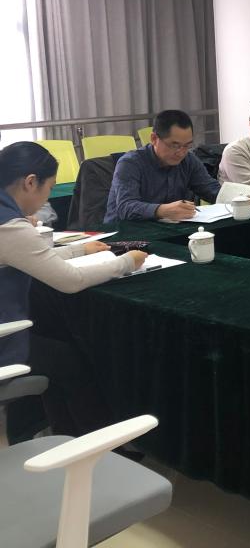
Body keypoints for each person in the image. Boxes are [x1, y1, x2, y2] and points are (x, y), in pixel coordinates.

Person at [1, 142, 146, 435]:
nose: (47, 197)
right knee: (71, 361)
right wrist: (126, 262)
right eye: (49, 188)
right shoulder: (9, 226)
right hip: (5, 340)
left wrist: (80, 250)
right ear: (30, 182)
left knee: (60, 353)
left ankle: (64, 432)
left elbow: (29, 256)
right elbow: (71, 281)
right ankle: (101, 444)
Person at [105, 109, 226, 223]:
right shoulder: (130, 163)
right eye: (175, 145)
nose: (181, 152)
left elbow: (211, 189)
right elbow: (126, 207)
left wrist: (235, 197)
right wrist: (162, 210)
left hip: (168, 229)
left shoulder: (188, 160)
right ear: (154, 139)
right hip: (125, 233)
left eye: (187, 145)